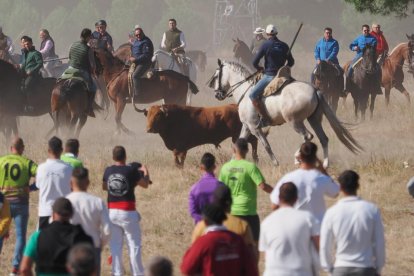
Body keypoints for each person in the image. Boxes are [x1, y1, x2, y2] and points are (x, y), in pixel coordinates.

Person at [320, 170, 385, 276]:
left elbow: (325, 245)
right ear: (358, 185)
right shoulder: (371, 210)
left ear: (340, 187)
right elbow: (379, 242)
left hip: (341, 267)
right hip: (366, 268)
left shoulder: (332, 212)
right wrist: (378, 268)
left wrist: (329, 269)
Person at [103, 146, 152, 276]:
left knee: (115, 246)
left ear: (113, 157)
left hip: (112, 212)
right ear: (125, 157)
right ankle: (137, 273)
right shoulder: (131, 171)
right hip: (127, 212)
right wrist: (145, 171)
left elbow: (104, 187)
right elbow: (145, 184)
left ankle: (117, 273)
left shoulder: (108, 170)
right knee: (134, 244)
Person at [20, 197, 94, 276]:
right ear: (71, 214)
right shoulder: (81, 237)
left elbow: (24, 268)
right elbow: (91, 268)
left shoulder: (37, 237)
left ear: (53, 214)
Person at [218, 138, 273, 243]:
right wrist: (276, 192)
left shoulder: (225, 168)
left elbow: (220, 189)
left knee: (233, 243)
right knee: (254, 243)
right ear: (247, 150)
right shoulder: (250, 167)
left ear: (233, 150)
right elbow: (263, 186)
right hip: (248, 211)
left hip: (232, 211)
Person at [270, 141, 339, 223]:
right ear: (315, 157)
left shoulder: (288, 178)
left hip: (296, 225)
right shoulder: (321, 178)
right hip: (318, 228)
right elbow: (335, 193)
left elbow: (274, 205)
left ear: (300, 157)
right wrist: (323, 170)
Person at [260, 182, 320, 276]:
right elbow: (317, 246)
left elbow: (266, 255)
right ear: (296, 199)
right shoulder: (307, 218)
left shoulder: (266, 222)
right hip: (301, 272)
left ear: (279, 199)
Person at [180, 203, 258, 276]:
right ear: (223, 219)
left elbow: (186, 268)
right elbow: (251, 269)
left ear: (205, 222)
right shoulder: (238, 240)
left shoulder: (203, 242)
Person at [0, 137, 37, 275]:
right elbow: (41, 174)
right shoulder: (27, 162)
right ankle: (15, 269)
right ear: (22, 149)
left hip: (3, 204)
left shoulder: (1, 161)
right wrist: (32, 187)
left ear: (11, 148)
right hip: (21, 203)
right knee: (21, 236)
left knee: (0, 233)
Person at [191, 185, 256, 261]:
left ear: (214, 202)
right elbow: (251, 256)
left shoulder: (202, 226)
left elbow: (193, 255)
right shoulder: (242, 225)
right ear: (231, 202)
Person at [67, 167, 111, 275]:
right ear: (88, 182)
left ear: (71, 183)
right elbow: (108, 230)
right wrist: (101, 244)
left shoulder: (65, 201)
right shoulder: (97, 202)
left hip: (72, 249)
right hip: (93, 247)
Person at [249, 24, 294, 128]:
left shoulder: (265, 45)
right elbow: (291, 62)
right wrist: (284, 69)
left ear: (267, 34)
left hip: (269, 75)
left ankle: (265, 119)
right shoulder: (284, 45)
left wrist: (260, 69)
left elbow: (254, 62)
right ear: (276, 33)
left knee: (253, 95)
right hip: (283, 76)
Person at [36, 136, 72, 230]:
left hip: (45, 212)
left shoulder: (41, 168)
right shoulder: (69, 168)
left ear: (48, 150)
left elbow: (38, 185)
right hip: (63, 213)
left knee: (44, 243)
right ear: (61, 150)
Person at [67, 28, 97, 117]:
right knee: (93, 88)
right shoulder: (89, 49)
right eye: (90, 37)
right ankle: (89, 108)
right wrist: (93, 71)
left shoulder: (73, 44)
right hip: (81, 71)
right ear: (88, 37)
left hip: (70, 69)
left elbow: (69, 57)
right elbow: (93, 65)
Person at [188, 152, 223, 224]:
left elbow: (193, 212)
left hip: (201, 228)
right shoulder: (222, 187)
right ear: (214, 167)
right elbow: (228, 209)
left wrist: (204, 220)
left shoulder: (194, 188)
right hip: (218, 227)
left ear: (201, 167)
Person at [19, 36, 43, 112]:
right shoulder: (26, 54)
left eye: (28, 44)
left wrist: (31, 71)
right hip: (25, 74)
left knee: (26, 85)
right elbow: (24, 65)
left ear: (32, 44)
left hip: (34, 75)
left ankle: (30, 105)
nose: (27, 46)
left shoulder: (36, 53)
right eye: (25, 44)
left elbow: (40, 63)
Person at [130, 27, 154, 98]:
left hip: (144, 63)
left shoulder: (146, 41)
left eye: (139, 34)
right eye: (136, 35)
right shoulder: (136, 41)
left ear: (143, 33)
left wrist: (135, 59)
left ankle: (138, 95)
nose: (138, 36)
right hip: (136, 62)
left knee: (135, 76)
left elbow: (146, 55)